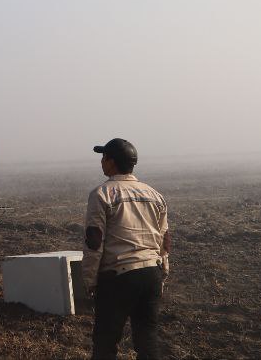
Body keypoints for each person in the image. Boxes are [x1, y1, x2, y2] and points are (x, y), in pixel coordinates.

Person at [83, 138, 171, 360]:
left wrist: (90, 280)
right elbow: (164, 238)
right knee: (147, 339)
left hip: (118, 276)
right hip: (151, 272)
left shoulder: (102, 194)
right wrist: (163, 272)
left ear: (112, 163)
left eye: (104, 158)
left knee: (105, 341)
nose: (101, 162)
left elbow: (94, 241)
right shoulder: (155, 194)